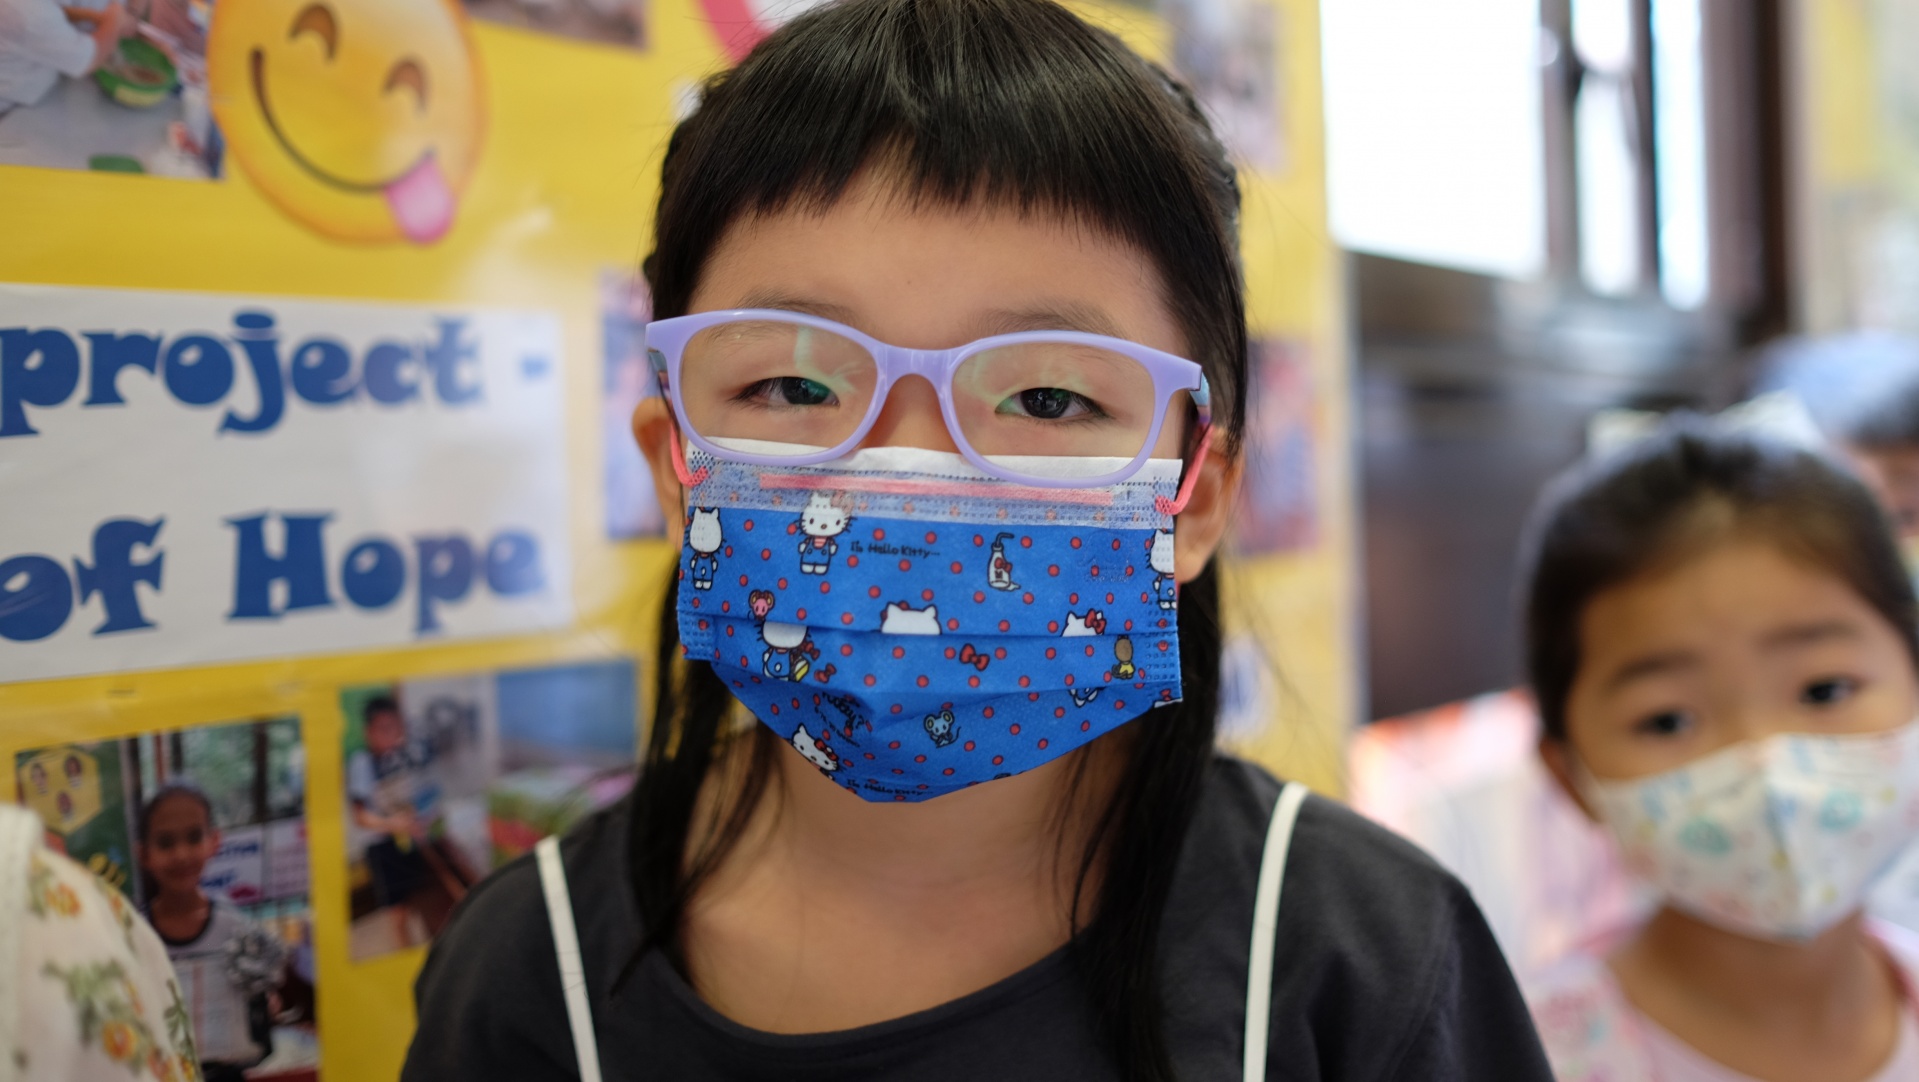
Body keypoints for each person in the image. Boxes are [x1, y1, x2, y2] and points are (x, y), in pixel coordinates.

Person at [403, 0, 1551, 1078]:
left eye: (1046, 398)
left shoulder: (1366, 965)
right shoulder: (529, 974)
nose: (907, 469)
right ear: (675, 465)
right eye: (795, 382)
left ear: (1192, 498)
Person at [1520, 423, 1919, 1080]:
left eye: (1823, 690)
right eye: (1667, 721)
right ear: (1569, 776)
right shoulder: (1521, 1056)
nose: (1764, 763)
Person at [137, 783, 285, 1082]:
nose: (181, 854)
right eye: (165, 842)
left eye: (194, 838)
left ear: (214, 841)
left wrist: (263, 1006)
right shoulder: (133, 937)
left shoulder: (238, 930)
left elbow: (264, 998)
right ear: (144, 853)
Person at [346, 696, 472, 948]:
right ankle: (403, 951)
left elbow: (422, 792)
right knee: (398, 911)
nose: (392, 735)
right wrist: (394, 824)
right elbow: (360, 817)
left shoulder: (405, 754)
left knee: (429, 901)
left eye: (396, 727)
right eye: (384, 729)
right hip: (384, 847)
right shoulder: (362, 763)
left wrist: (428, 815)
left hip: (414, 838)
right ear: (369, 732)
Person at [0, 0, 131, 109]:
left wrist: (98, 17)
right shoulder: (29, 15)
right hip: (13, 110)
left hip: (41, 92)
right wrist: (114, 19)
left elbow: (57, 10)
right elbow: (90, 60)